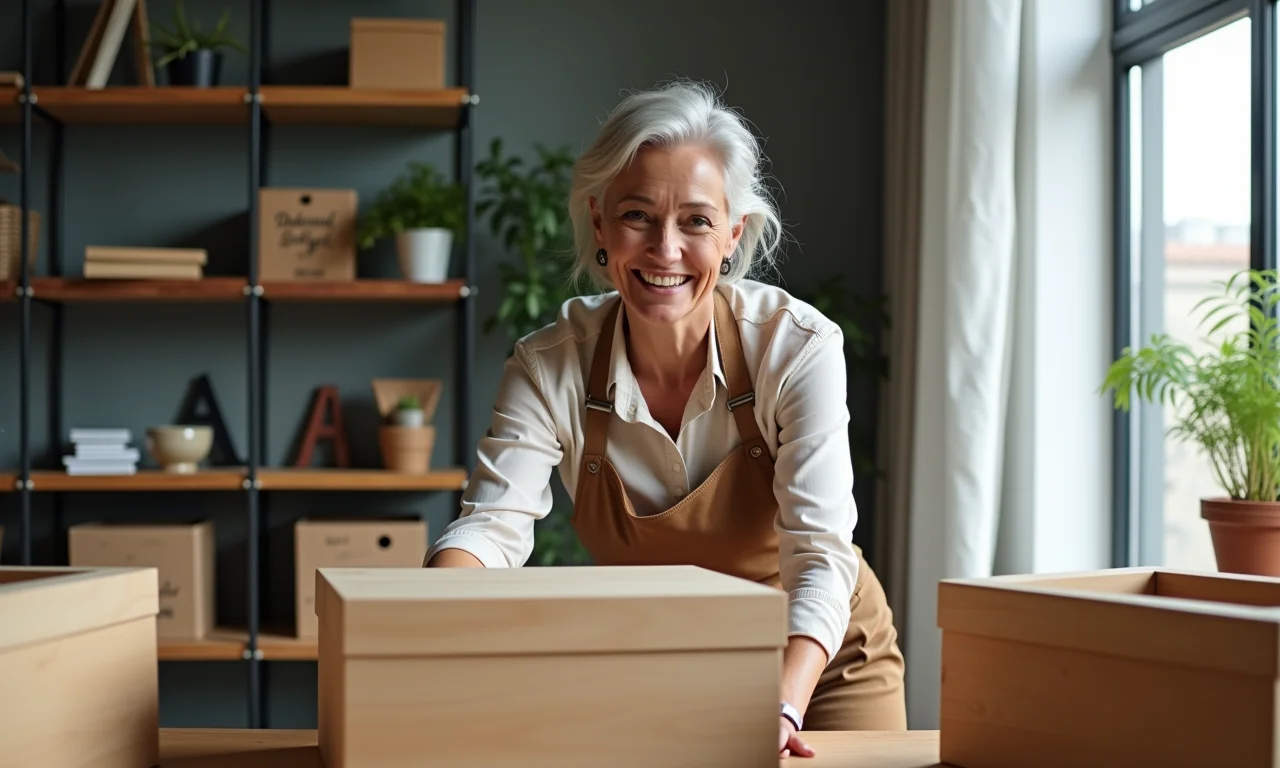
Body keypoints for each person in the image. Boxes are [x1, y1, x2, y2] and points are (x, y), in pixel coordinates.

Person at [425, 80, 906, 757]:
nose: (666, 250)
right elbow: (491, 528)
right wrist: (425, 627)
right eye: (638, 216)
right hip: (665, 651)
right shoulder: (550, 365)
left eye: (697, 222)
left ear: (734, 235)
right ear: (599, 223)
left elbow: (820, 558)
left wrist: (781, 705)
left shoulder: (796, 348)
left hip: (821, 660)